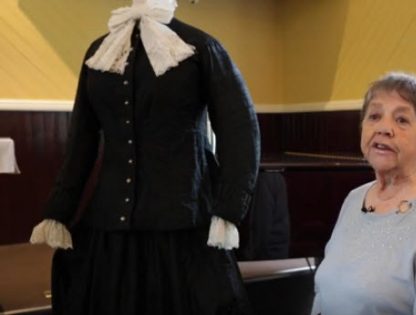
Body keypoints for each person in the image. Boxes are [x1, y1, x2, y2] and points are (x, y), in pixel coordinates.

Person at [29, 0, 259, 314]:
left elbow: (240, 128)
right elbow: (81, 138)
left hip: (182, 229)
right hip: (111, 234)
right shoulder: (99, 53)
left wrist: (230, 209)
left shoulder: (201, 48)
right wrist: (60, 208)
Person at [311, 72, 416, 315]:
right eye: (374, 116)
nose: (384, 128)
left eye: (401, 120)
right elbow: (324, 293)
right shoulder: (354, 199)